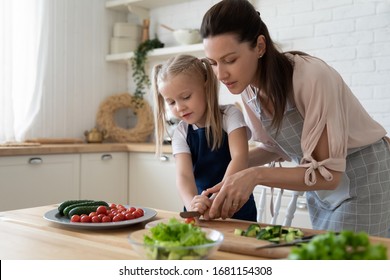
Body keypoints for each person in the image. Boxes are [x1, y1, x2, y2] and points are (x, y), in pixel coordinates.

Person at [199, 0, 390, 237]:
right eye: (213, 63)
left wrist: (254, 175)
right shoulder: (248, 89)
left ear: (259, 46)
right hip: (320, 188)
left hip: (364, 177)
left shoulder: (311, 77)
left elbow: (327, 173)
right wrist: (223, 177)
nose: (221, 74)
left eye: (230, 60)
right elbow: (274, 147)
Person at [152, 54, 257, 222]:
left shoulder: (230, 116)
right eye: (171, 102)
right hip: (200, 212)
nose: (179, 107)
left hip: (237, 209)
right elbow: (184, 177)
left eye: (186, 97)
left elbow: (240, 158)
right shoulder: (181, 132)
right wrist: (193, 205)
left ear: (206, 86)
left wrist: (217, 198)